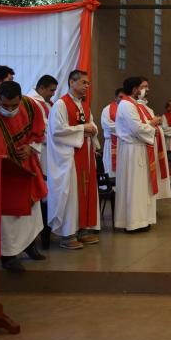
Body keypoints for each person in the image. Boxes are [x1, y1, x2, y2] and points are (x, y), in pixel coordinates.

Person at [0, 81, 47, 272]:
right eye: (5, 105)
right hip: (7, 172)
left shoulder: (30, 106)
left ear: (21, 99)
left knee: (32, 210)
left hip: (27, 166)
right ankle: (9, 254)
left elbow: (40, 134)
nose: (10, 109)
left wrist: (31, 148)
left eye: (14, 105)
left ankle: (29, 244)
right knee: (10, 215)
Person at [46, 70, 101, 250]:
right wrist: (82, 129)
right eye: (84, 82)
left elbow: (92, 126)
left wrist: (90, 130)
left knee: (86, 192)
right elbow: (57, 131)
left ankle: (82, 230)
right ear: (72, 82)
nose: (87, 86)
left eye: (88, 83)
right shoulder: (61, 104)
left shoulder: (84, 105)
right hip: (69, 157)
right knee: (71, 194)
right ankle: (67, 234)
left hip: (85, 154)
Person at [114, 77, 161, 232]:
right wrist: (153, 126)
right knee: (134, 186)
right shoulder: (126, 105)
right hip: (132, 150)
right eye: (142, 87)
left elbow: (140, 126)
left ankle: (142, 220)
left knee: (141, 187)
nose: (146, 90)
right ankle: (133, 223)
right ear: (134, 89)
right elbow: (136, 128)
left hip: (140, 147)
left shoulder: (134, 104)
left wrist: (150, 125)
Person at [137, 79, 171, 200]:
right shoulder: (133, 106)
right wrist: (153, 122)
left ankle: (152, 201)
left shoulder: (146, 107)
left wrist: (157, 121)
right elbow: (138, 126)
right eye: (145, 87)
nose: (148, 90)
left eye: (148, 87)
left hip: (153, 145)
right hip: (142, 147)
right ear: (137, 88)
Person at [27, 74, 58, 176]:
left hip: (48, 147)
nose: (53, 94)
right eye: (51, 90)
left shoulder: (47, 103)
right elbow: (43, 127)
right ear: (41, 88)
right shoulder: (31, 102)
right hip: (37, 148)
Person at [101, 88, 124, 178]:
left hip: (124, 143)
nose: (122, 99)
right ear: (115, 98)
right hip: (111, 143)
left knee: (123, 169)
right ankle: (112, 190)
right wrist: (125, 128)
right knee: (110, 168)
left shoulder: (127, 109)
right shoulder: (107, 109)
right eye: (120, 97)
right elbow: (107, 125)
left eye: (124, 97)